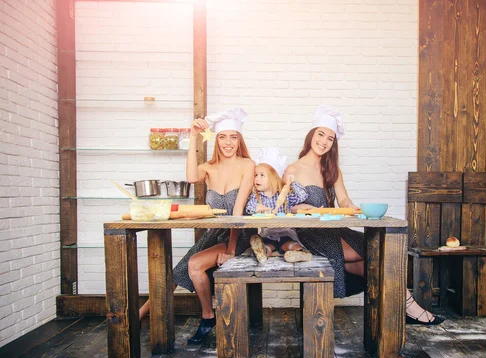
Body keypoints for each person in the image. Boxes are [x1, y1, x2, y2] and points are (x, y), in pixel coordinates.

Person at [283, 105, 444, 325]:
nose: (324, 141)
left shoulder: (332, 170)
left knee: (379, 252)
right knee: (372, 256)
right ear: (311, 135)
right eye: (320, 134)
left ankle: (403, 309)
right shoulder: (292, 169)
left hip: (335, 229)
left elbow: (345, 201)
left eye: (330, 138)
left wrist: (357, 209)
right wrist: (298, 207)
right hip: (310, 233)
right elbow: (285, 207)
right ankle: (408, 309)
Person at [139, 108, 257, 344]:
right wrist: (192, 134)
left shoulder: (247, 164)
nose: (228, 143)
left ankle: (206, 317)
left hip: (240, 232)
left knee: (193, 265)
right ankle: (139, 315)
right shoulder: (209, 168)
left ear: (240, 140)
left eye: (233, 137)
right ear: (216, 139)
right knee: (178, 272)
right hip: (214, 233)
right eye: (223, 137)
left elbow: (238, 212)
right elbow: (192, 177)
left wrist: (231, 249)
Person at [245, 148, 312, 263]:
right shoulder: (257, 197)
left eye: (262, 175)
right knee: (268, 244)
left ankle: (298, 252)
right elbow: (249, 208)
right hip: (268, 233)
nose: (257, 178)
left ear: (273, 178)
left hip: (285, 230)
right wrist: (257, 208)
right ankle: (263, 252)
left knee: (289, 243)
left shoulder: (284, 197)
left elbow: (303, 195)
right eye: (255, 175)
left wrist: (291, 182)